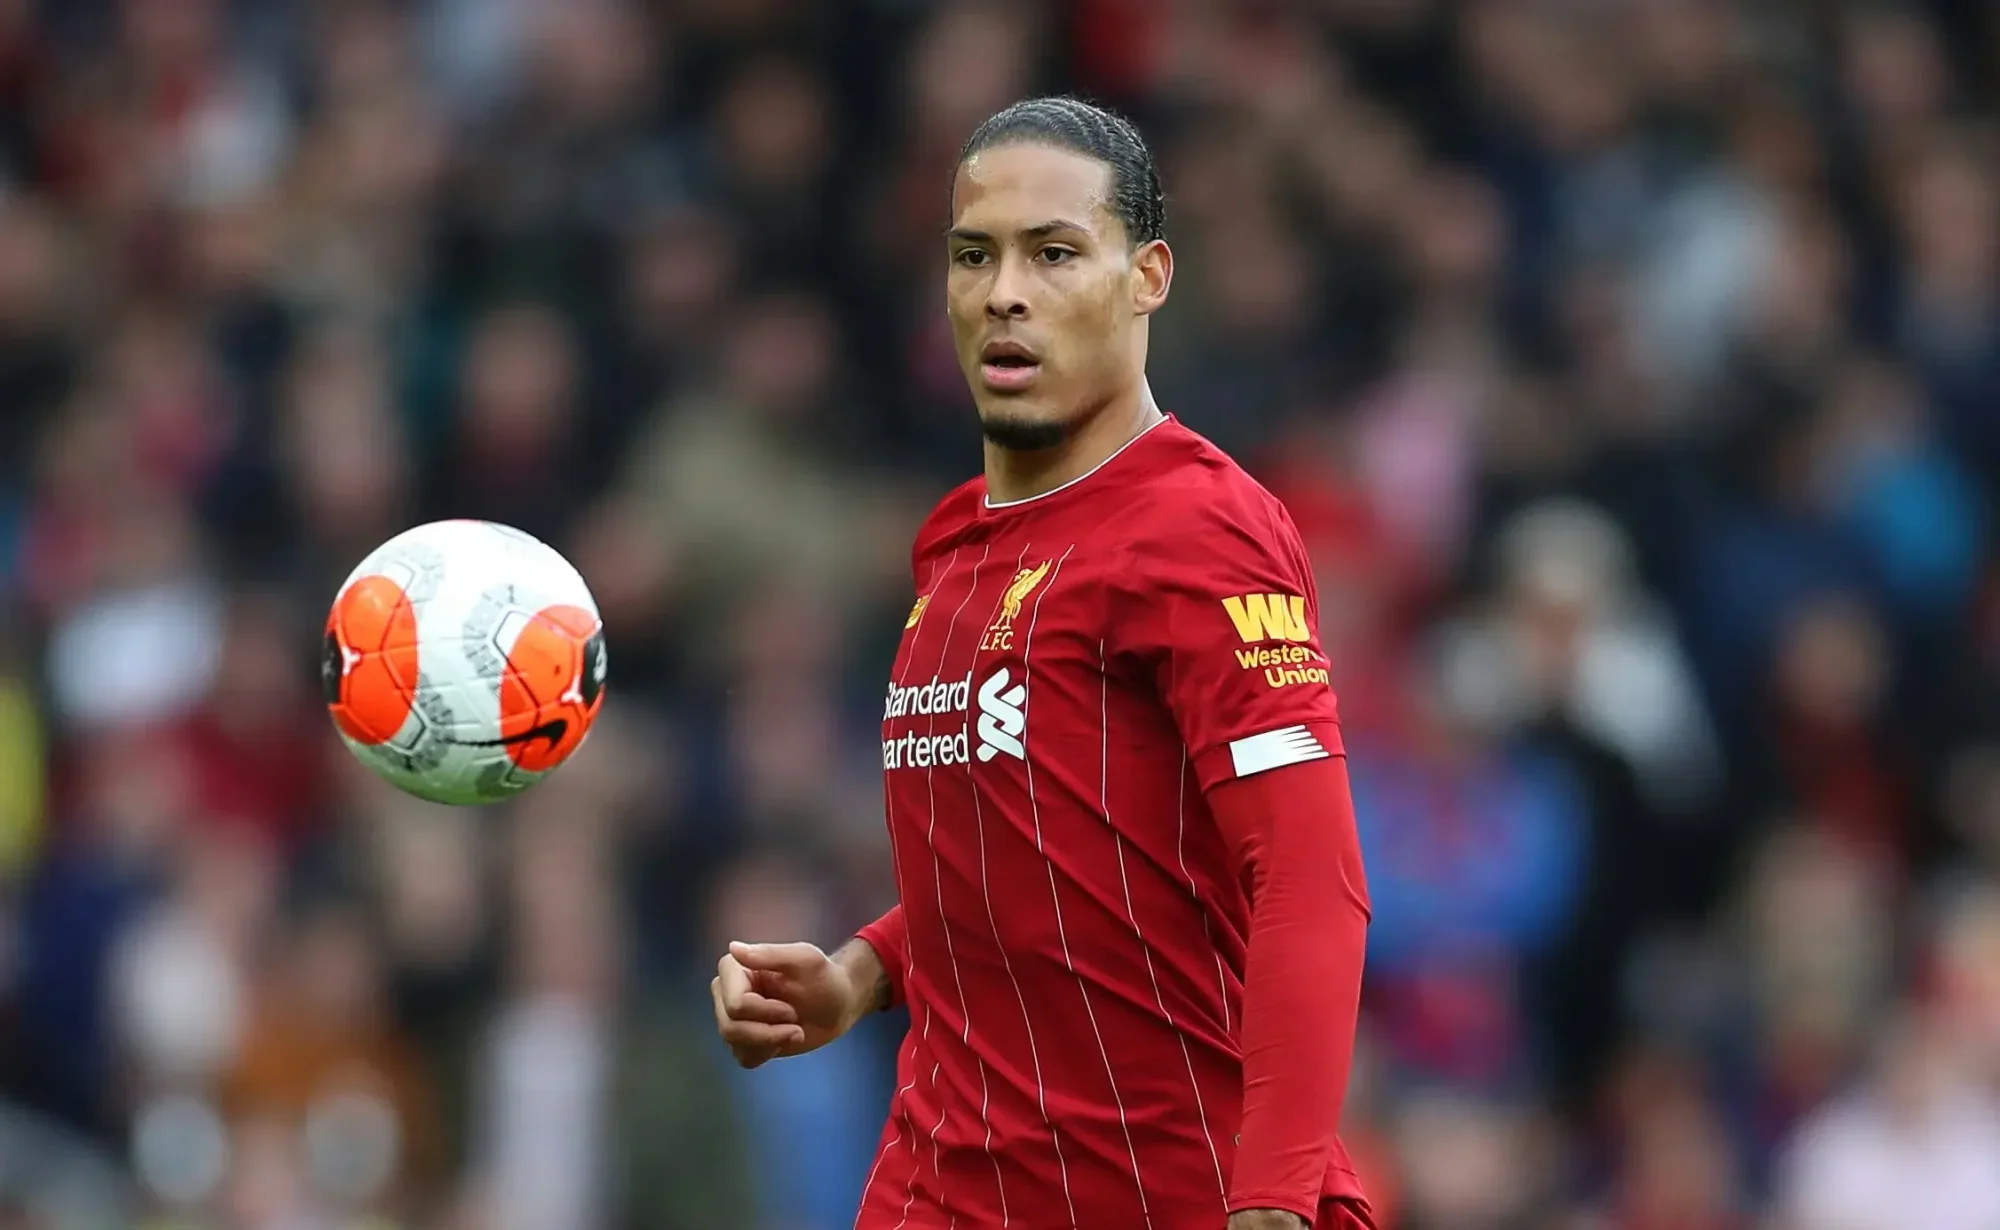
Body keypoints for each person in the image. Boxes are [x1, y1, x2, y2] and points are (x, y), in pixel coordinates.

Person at [711, 96, 1374, 1230]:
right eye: (974, 255)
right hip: (944, 1185)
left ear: (1147, 276)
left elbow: (1309, 881)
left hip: (1167, 1191)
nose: (1003, 291)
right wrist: (860, 975)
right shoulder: (951, 549)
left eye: (1054, 253)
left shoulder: (1198, 529)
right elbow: (1041, 849)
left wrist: (1270, 1200)